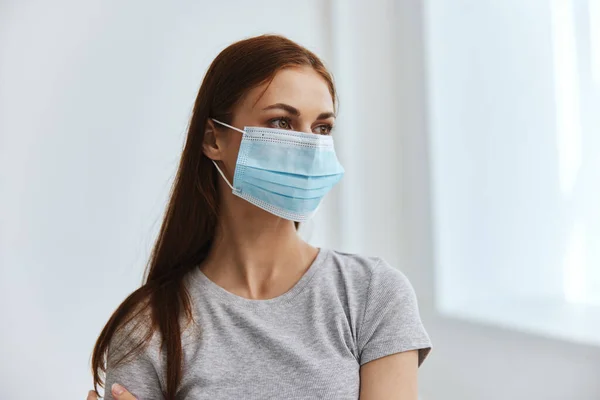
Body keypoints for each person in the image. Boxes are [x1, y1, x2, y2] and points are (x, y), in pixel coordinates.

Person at [87, 34, 432, 400]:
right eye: (282, 122)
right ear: (213, 140)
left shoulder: (373, 294)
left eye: (322, 128)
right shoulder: (150, 327)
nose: (309, 147)